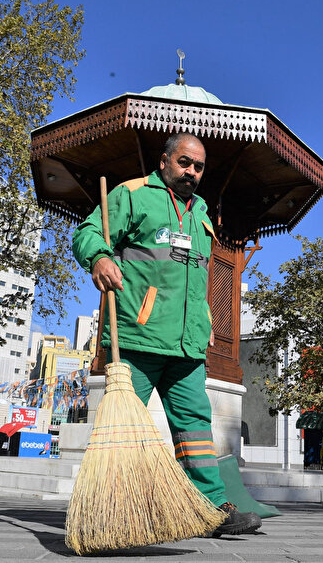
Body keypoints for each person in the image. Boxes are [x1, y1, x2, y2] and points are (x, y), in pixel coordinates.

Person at [71, 132, 261, 536]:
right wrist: (100, 257)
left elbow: (195, 279)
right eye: (184, 162)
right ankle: (112, 511)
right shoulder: (133, 194)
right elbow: (87, 233)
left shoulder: (203, 212)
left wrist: (204, 323)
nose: (191, 172)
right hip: (138, 337)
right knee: (121, 429)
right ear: (164, 161)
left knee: (195, 427)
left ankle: (209, 509)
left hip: (187, 345)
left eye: (198, 167)